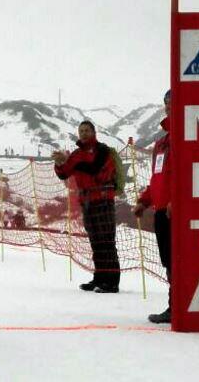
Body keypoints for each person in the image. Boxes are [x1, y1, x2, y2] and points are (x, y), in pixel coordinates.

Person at [52, 120, 120, 293]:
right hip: (88, 202)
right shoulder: (76, 154)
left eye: (87, 130)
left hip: (103, 200)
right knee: (95, 241)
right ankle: (99, 278)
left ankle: (111, 282)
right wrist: (59, 163)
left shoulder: (103, 150)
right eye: (81, 130)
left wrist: (72, 164)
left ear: (94, 132)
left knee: (106, 240)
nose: (83, 133)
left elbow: (95, 169)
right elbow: (64, 173)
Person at [133, 90, 173, 323]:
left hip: (176, 211)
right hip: (161, 212)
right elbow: (157, 179)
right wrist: (144, 200)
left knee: (178, 260)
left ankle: (179, 305)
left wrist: (176, 201)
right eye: (166, 103)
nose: (168, 107)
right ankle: (174, 304)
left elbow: (190, 174)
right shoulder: (161, 144)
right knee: (168, 260)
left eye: (173, 102)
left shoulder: (188, 136)